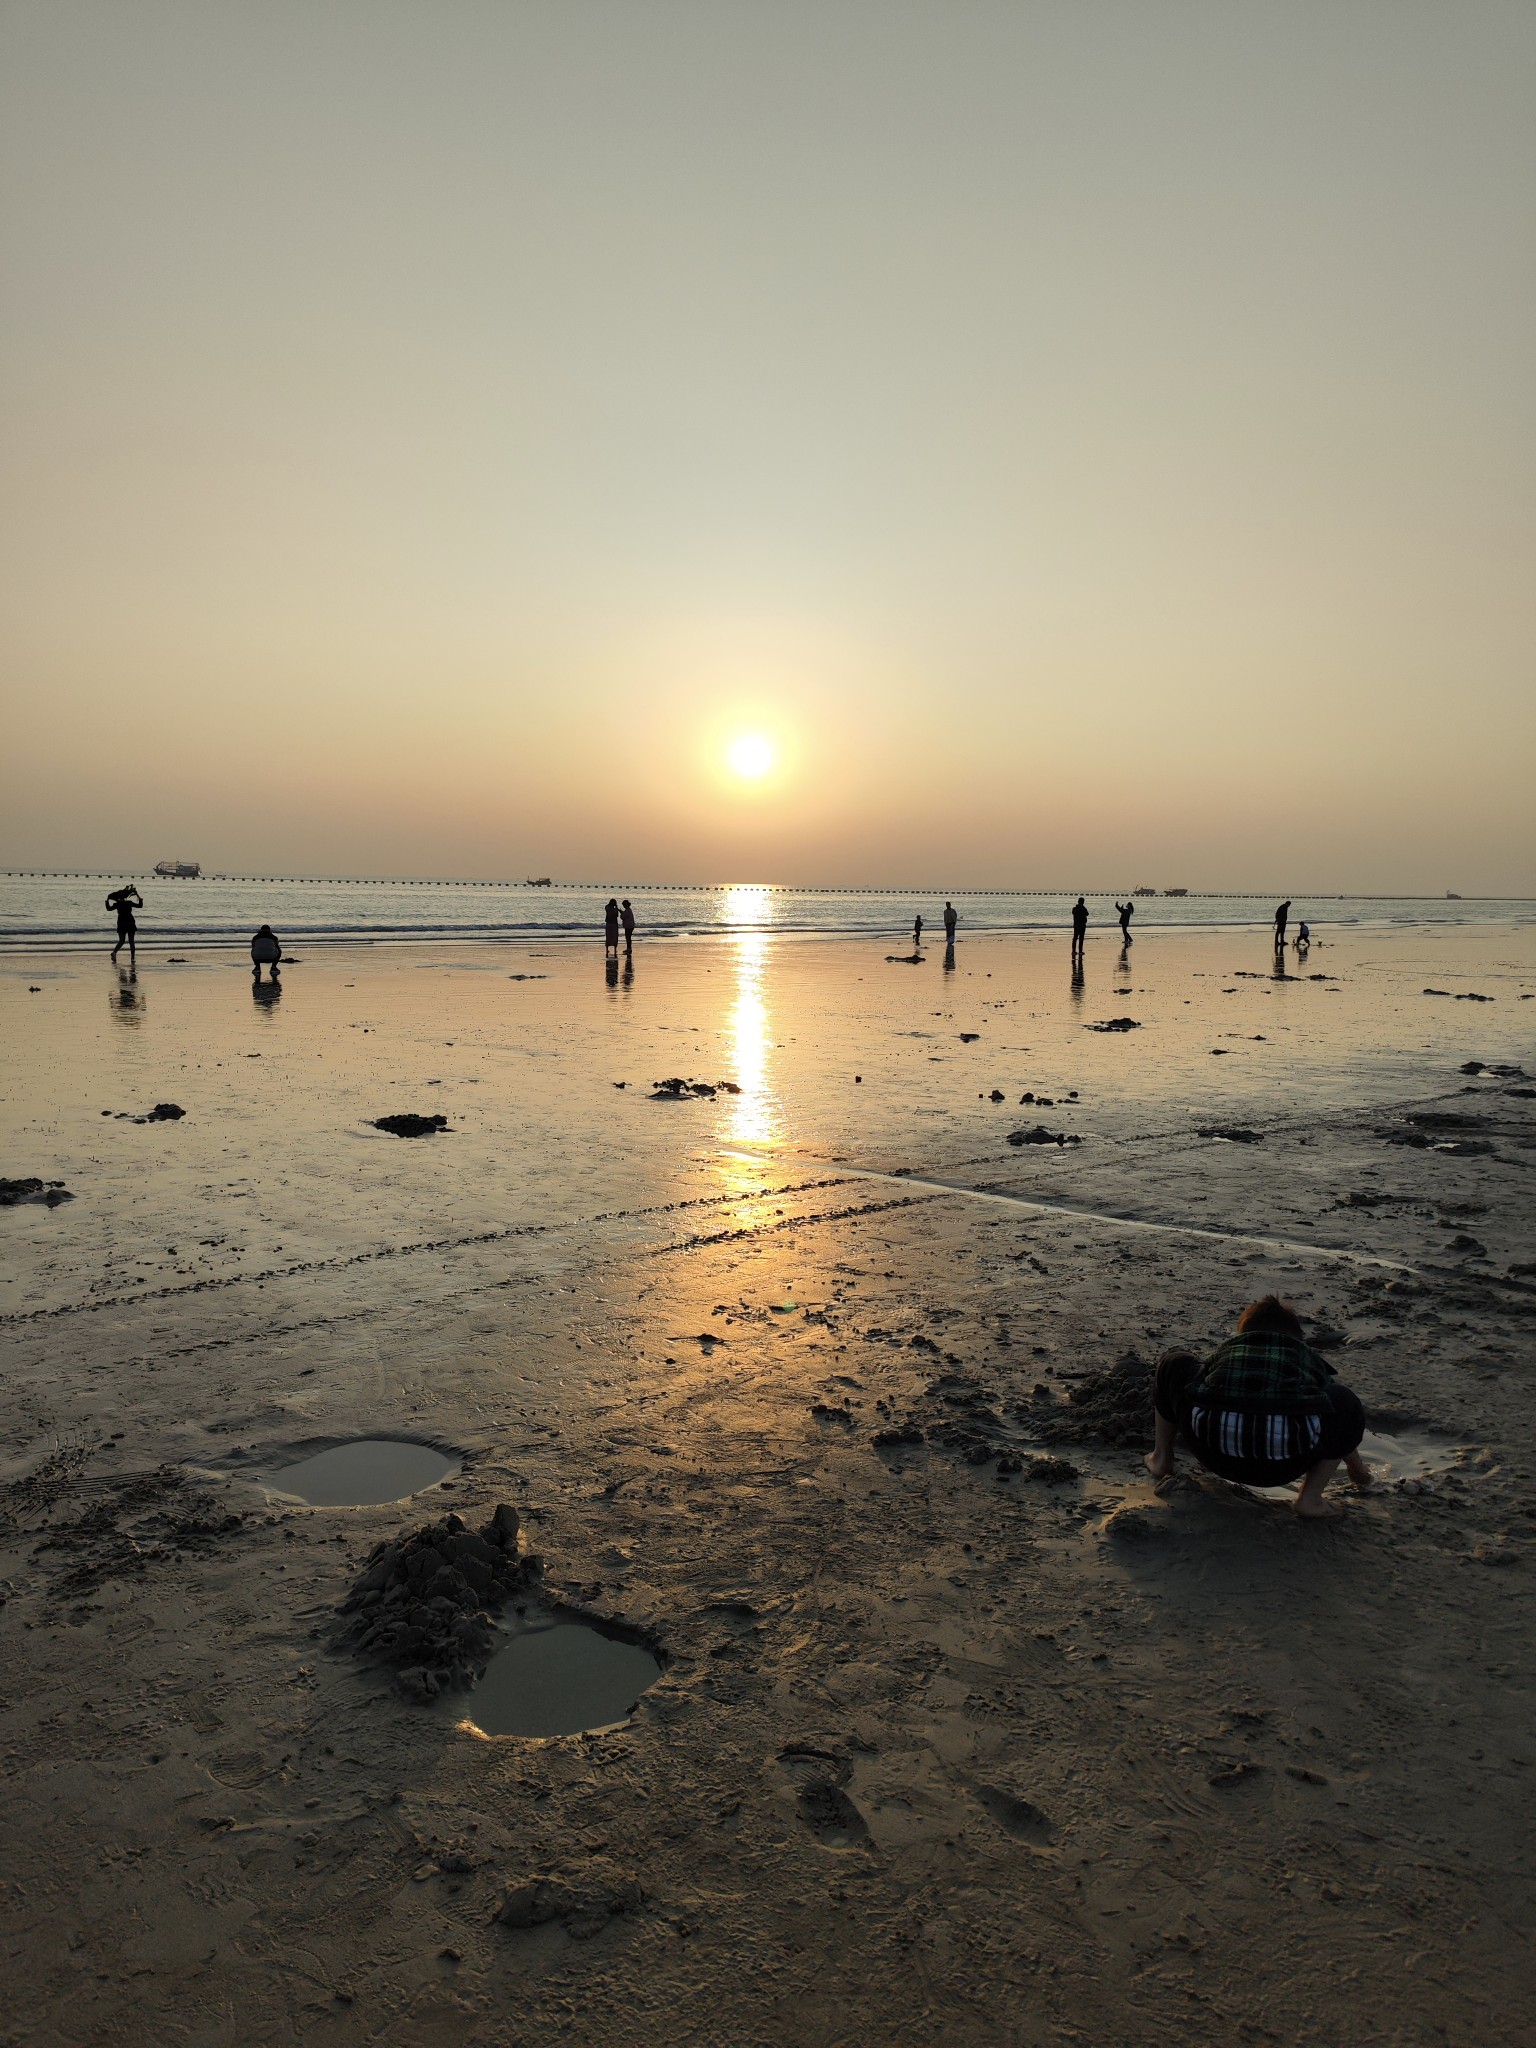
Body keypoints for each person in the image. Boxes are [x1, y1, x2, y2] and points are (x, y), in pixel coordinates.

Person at [1145, 1295, 1371, 1518]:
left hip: (1211, 1450)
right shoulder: (1305, 1359)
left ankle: (1161, 1459)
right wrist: (1358, 1470)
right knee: (1342, 1401)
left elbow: (1198, 1380)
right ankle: (1309, 1499)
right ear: (1298, 1338)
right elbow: (1337, 1418)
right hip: (1285, 1465)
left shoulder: (1230, 1351)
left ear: (1242, 1332)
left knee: (1173, 1362)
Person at [106, 883, 142, 965]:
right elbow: (140, 905)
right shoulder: (128, 903)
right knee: (131, 941)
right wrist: (138, 896)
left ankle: (115, 953)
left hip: (122, 923)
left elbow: (108, 908)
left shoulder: (118, 904)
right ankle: (132, 958)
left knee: (122, 941)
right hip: (130, 922)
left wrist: (107, 901)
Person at [1070, 896, 1088, 962]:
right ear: (1083, 902)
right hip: (1082, 925)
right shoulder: (1083, 908)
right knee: (1081, 938)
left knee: (1075, 938)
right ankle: (1080, 951)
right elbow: (1087, 914)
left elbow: (1073, 913)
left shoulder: (1074, 908)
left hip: (1076, 925)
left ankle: (1074, 951)